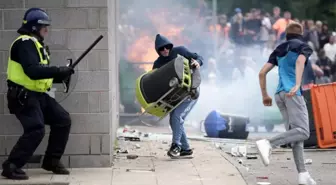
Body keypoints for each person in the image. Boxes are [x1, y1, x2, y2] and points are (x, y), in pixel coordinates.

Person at [1, 8, 75, 180]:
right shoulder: (25, 43)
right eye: (44, 27)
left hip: (38, 95)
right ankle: (11, 166)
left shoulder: (37, 45)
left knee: (62, 120)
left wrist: (61, 76)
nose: (47, 31)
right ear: (34, 28)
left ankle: (51, 161)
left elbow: (40, 76)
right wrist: (58, 70)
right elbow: (33, 71)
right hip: (23, 96)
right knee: (36, 129)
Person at [257, 22, 317, 185]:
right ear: (301, 34)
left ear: (287, 34)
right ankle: (269, 143)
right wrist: (297, 84)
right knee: (304, 131)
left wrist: (265, 95)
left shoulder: (279, 49)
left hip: (279, 95)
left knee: (296, 135)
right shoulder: (304, 47)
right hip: (293, 93)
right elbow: (299, 63)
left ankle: (303, 174)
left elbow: (262, 73)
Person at [152, 34, 203, 158]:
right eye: (161, 49)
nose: (165, 50)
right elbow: (154, 81)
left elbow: (198, 57)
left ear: (170, 46)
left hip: (190, 92)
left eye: (166, 47)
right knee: (174, 120)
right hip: (175, 96)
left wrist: (197, 62)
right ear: (158, 50)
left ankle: (176, 146)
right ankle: (186, 149)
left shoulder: (180, 51)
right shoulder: (158, 63)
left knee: (176, 116)